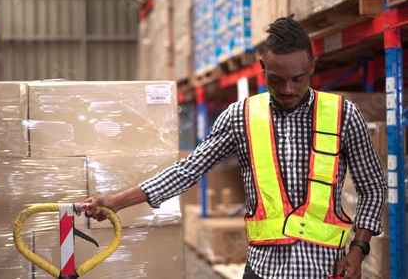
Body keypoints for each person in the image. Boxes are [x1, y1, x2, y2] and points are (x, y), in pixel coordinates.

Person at [80, 15, 386, 279]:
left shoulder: (344, 115)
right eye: (277, 79)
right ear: (262, 67)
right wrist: (118, 201)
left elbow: (372, 186)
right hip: (264, 269)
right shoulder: (241, 117)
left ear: (313, 65)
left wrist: (359, 248)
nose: (288, 89)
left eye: (298, 78)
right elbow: (188, 169)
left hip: (327, 268)